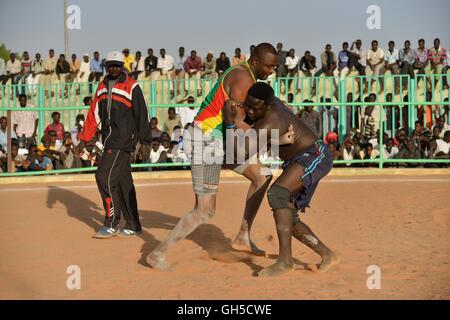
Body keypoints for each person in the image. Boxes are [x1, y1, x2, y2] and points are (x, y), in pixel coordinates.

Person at [147, 43, 281, 271]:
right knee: (205, 210)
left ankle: (242, 237)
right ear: (255, 61)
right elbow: (239, 124)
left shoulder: (248, 78)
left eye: (274, 67)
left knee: (263, 176)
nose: (271, 71)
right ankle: (156, 254)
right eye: (268, 66)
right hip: (206, 140)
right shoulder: (242, 79)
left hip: (222, 141)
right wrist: (271, 134)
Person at [235, 82, 338, 276]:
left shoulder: (268, 121)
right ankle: (327, 255)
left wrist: (233, 121)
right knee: (287, 215)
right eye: (247, 104)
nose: (249, 110)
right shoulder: (272, 103)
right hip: (298, 159)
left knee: (277, 193)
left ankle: (285, 261)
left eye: (254, 108)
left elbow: (241, 154)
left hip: (314, 155)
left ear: (267, 106)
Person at [76, 51, 151, 238]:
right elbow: (94, 114)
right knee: (123, 183)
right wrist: (84, 139)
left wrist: (145, 142)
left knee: (103, 177)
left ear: (123, 66)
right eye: (111, 65)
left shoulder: (132, 86)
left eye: (118, 65)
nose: (114, 68)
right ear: (106, 66)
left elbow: (143, 115)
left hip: (123, 141)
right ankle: (133, 225)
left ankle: (111, 222)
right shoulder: (101, 87)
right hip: (108, 139)